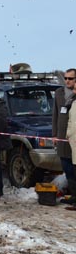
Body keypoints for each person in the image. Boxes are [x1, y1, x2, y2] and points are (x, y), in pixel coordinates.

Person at [53, 68, 76, 204]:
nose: (67, 81)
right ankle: (73, 196)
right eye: (66, 78)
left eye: (70, 78)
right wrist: (54, 134)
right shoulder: (59, 93)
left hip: (74, 138)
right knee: (67, 168)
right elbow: (55, 114)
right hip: (62, 137)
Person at [66, 82, 76, 210]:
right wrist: (68, 134)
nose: (73, 91)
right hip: (74, 142)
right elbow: (70, 121)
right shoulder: (74, 103)